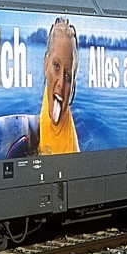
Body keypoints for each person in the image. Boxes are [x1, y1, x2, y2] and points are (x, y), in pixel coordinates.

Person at [39, 17, 80, 154]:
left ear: (72, 85)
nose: (61, 83)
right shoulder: (50, 93)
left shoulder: (68, 150)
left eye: (68, 77)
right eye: (56, 66)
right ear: (46, 66)